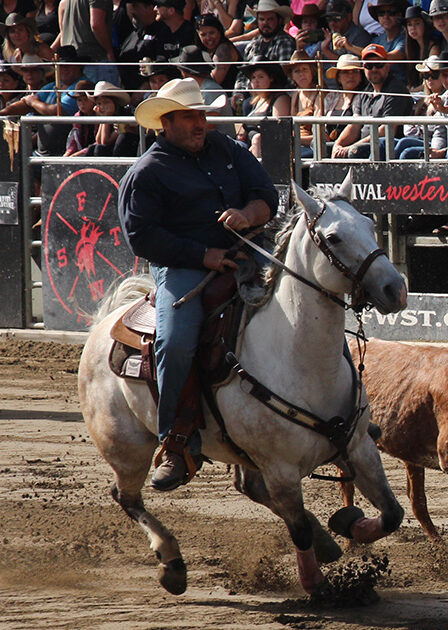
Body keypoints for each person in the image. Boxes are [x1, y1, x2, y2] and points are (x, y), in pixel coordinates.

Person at [119, 77, 277, 491]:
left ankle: (340, 409)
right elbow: (142, 236)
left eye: (202, 114)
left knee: (309, 301)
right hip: (184, 268)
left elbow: (266, 194)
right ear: (165, 122)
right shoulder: (148, 172)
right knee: (176, 338)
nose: (199, 122)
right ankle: (176, 439)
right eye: (189, 116)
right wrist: (203, 255)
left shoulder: (226, 149)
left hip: (248, 251)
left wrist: (248, 213)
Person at [332, 43, 413, 158]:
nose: (374, 69)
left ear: (387, 65)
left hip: (387, 147)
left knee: (354, 152)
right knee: (325, 148)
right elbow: (354, 125)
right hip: (365, 145)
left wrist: (351, 147)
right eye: (369, 65)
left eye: (378, 64)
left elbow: (387, 131)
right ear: (364, 68)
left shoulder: (396, 90)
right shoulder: (365, 92)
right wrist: (338, 145)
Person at [234, 0, 296, 96]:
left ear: (279, 21)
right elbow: (242, 75)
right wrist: (238, 93)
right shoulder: (253, 44)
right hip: (251, 94)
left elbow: (285, 78)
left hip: (276, 95)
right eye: (262, 19)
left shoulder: (285, 42)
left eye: (270, 19)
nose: (265, 23)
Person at [235, 56, 291, 157]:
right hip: (249, 145)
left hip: (268, 150)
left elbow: (277, 132)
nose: (256, 81)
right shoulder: (252, 102)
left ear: (271, 78)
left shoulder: (280, 99)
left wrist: (256, 144)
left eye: (260, 77)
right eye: (253, 77)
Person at [56, 0, 120, 85]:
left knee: (78, 97)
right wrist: (109, 51)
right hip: (95, 60)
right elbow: (96, 24)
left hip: (71, 63)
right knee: (102, 97)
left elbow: (63, 31)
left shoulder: (65, 2)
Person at [194, 13, 241, 91]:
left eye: (212, 33)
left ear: (219, 31)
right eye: (203, 35)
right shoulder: (202, 50)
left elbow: (214, 82)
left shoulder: (225, 49)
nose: (208, 38)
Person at [369, 0, 408, 83]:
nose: (386, 17)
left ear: (400, 15)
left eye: (392, 13)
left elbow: (388, 57)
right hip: (381, 86)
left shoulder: (406, 37)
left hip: (401, 87)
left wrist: (350, 47)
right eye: (381, 13)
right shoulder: (377, 40)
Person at [404, 4, 439, 89]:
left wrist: (411, 93)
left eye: (417, 23)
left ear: (425, 25)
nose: (413, 28)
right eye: (409, 24)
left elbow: (430, 80)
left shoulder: (434, 48)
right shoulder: (411, 48)